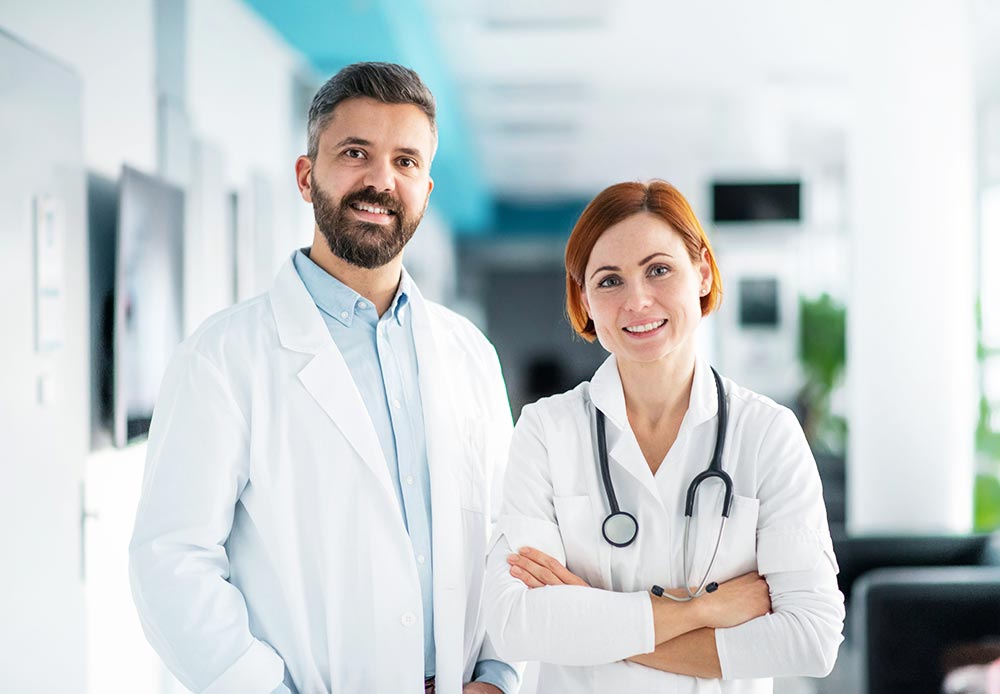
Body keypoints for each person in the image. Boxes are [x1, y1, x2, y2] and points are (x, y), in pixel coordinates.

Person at [129, 62, 518, 694]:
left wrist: (500, 674)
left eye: (406, 161)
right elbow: (170, 562)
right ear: (307, 177)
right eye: (355, 153)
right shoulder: (223, 358)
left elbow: (509, 532)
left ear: (425, 187)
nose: (380, 181)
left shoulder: (468, 353)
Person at [482, 180, 845, 692]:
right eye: (609, 281)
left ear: (701, 272)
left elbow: (812, 637)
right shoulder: (546, 430)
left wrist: (593, 629)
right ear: (583, 300)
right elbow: (519, 624)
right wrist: (706, 609)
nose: (637, 300)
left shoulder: (766, 433)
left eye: (659, 270)